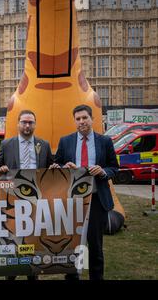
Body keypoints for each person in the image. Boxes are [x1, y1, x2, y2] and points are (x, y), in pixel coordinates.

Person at [51, 104, 119, 280]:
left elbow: (114, 167)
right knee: (73, 245)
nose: (82, 122)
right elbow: (56, 165)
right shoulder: (65, 141)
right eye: (78, 119)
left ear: (92, 119)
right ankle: (73, 277)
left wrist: (103, 172)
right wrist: (64, 167)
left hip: (96, 200)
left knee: (95, 246)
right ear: (74, 121)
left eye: (85, 118)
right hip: (72, 202)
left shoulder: (104, 141)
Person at [0, 109, 53, 281]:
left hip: (36, 203)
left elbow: (52, 170)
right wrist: (0, 170)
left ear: (35, 124)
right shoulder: (7, 144)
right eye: (24, 122)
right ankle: (11, 274)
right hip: (13, 202)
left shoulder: (44, 144)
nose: (27, 125)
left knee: (33, 240)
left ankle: (32, 273)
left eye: (30, 122)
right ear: (18, 124)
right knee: (13, 239)